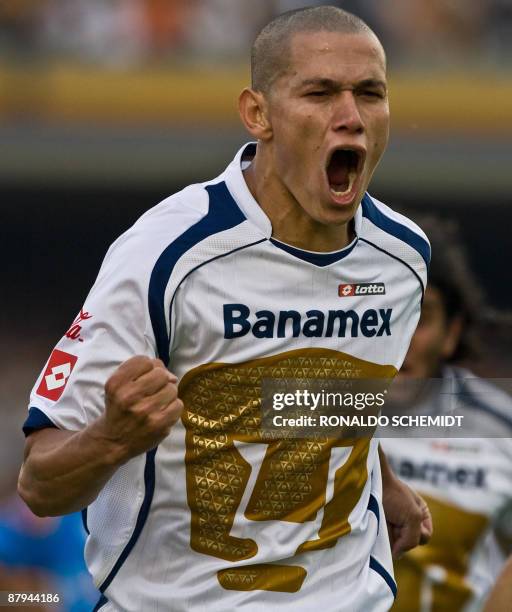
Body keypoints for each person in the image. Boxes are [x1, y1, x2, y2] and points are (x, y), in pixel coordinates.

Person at [18, 7, 432, 611]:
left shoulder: (402, 258)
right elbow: (39, 483)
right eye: (319, 93)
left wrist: (382, 479)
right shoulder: (164, 256)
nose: (350, 118)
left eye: (370, 93)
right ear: (257, 113)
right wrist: (112, 438)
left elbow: (342, 392)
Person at [380, 218, 512, 611]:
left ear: (452, 332)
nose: (399, 338)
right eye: (383, 314)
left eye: (419, 317)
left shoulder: (501, 428)